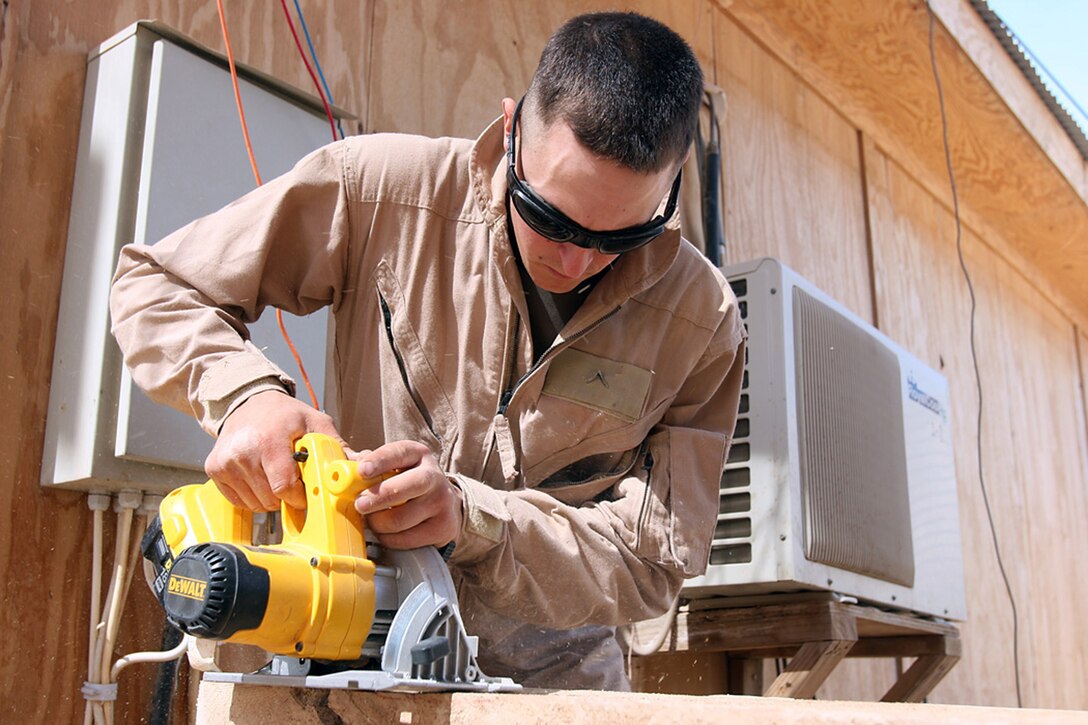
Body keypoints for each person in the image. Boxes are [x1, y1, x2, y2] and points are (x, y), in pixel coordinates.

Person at [110, 11, 745, 690]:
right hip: (345, 649)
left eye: (620, 237)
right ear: (512, 129)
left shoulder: (699, 322)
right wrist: (245, 396)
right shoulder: (381, 190)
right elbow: (157, 285)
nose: (575, 258)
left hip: (553, 681)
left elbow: (650, 563)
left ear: (673, 183)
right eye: (550, 215)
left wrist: (472, 521)